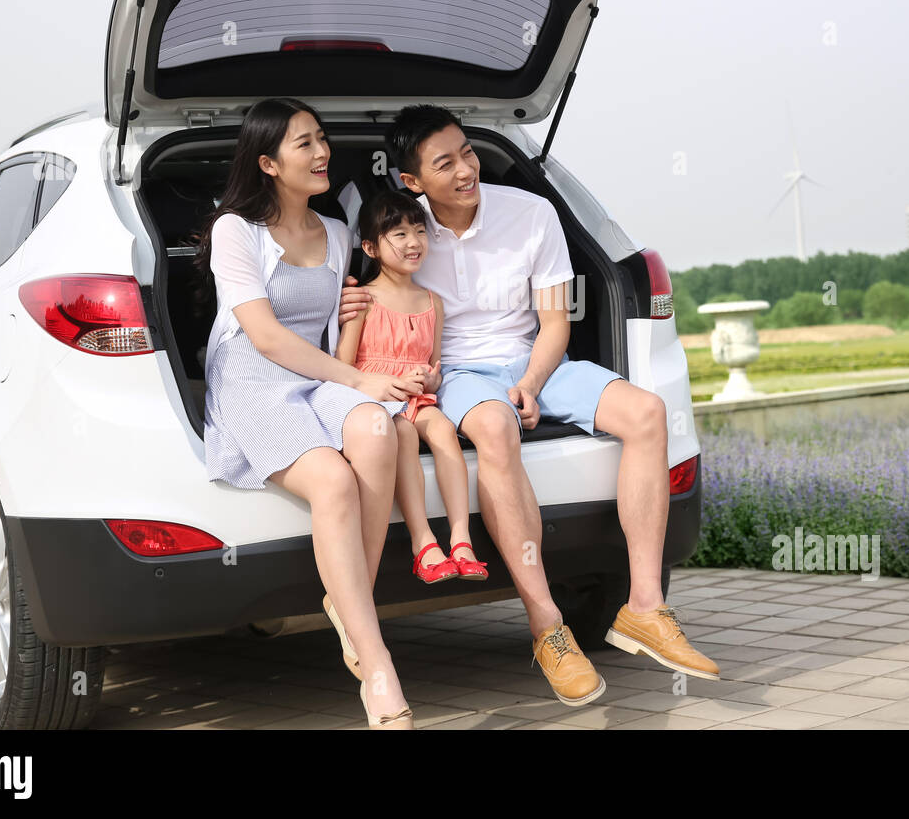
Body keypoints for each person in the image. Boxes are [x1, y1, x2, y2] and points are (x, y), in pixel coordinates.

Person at [339, 104, 719, 708]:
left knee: (647, 414)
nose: (466, 169)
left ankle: (645, 607)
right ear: (412, 181)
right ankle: (548, 626)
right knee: (493, 427)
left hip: (534, 358)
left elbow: (552, 324)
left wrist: (534, 382)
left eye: (467, 152)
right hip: (459, 370)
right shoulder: (404, 233)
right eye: (445, 163)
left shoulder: (532, 212)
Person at [193, 97, 420, 729]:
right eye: (304, 143)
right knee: (333, 479)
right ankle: (376, 665)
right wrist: (358, 379)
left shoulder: (340, 233)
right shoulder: (236, 232)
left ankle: (350, 609)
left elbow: (325, 337)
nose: (322, 152)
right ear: (267, 163)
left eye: (321, 138)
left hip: (314, 374)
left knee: (380, 428)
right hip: (251, 379)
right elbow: (263, 337)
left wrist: (361, 371)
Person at [335, 190, 489, 585]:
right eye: (399, 234)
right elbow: (342, 369)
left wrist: (430, 379)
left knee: (442, 430)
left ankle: (461, 539)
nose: (413, 242)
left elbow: (434, 364)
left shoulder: (432, 302)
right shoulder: (363, 300)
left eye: (419, 231)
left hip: (417, 397)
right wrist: (388, 385)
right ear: (370, 246)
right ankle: (423, 542)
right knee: (401, 432)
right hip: (379, 400)